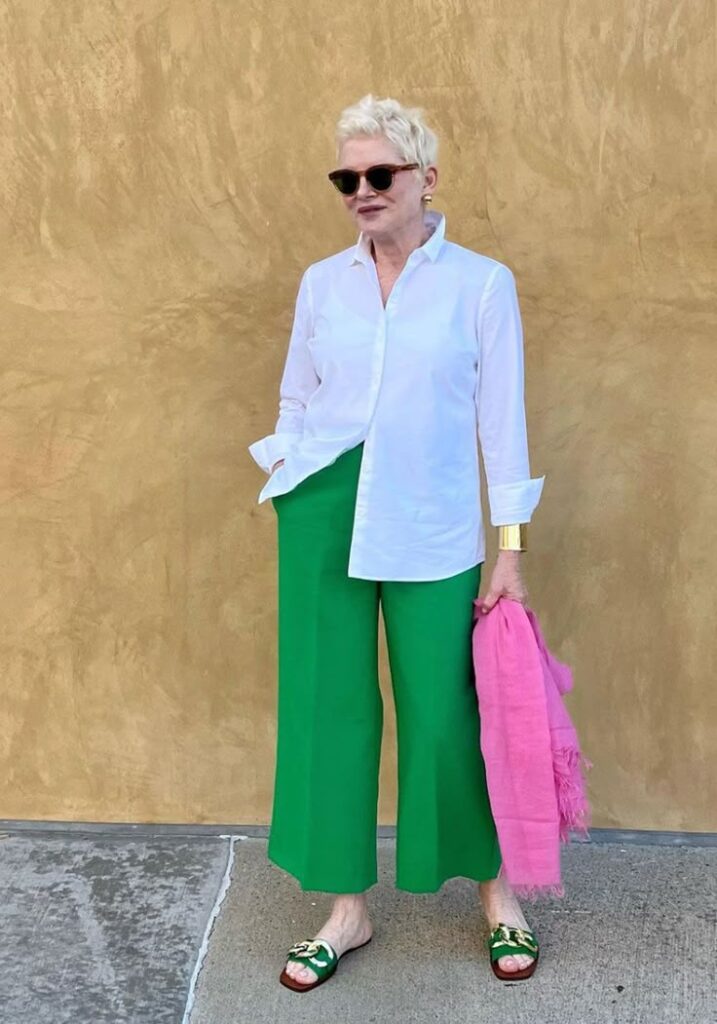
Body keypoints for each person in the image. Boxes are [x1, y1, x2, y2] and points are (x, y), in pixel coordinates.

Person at [248, 93, 546, 990]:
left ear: (426, 177)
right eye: (347, 179)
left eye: (380, 173)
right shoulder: (322, 282)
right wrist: (287, 468)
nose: (363, 191)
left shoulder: (479, 283)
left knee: (445, 712)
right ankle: (346, 909)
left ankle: (495, 892)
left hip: (431, 521)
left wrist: (508, 548)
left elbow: (501, 421)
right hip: (323, 510)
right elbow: (297, 391)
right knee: (327, 707)